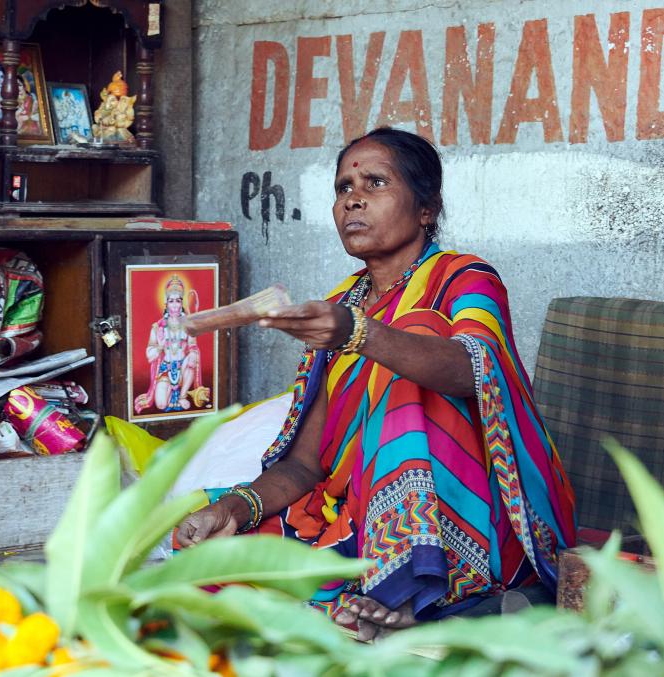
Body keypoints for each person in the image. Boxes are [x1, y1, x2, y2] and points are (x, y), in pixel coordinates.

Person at [176, 127, 576, 640]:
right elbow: (305, 464)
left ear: (426, 208)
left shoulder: (466, 278)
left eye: (375, 183)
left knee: (419, 346)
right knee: (207, 564)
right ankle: (376, 595)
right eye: (343, 187)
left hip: (478, 517)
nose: (353, 200)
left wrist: (358, 334)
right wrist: (233, 507)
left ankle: (410, 585)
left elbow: (469, 370)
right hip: (360, 514)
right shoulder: (342, 303)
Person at [134, 276, 203, 413]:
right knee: (160, 404)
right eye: (171, 301)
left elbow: (193, 346)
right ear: (166, 303)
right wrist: (160, 346)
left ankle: (182, 395)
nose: (175, 305)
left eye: (178, 301)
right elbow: (150, 352)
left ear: (182, 303)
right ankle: (171, 391)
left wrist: (194, 354)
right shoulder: (158, 327)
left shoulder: (187, 324)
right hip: (166, 369)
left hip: (183, 367)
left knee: (191, 358)